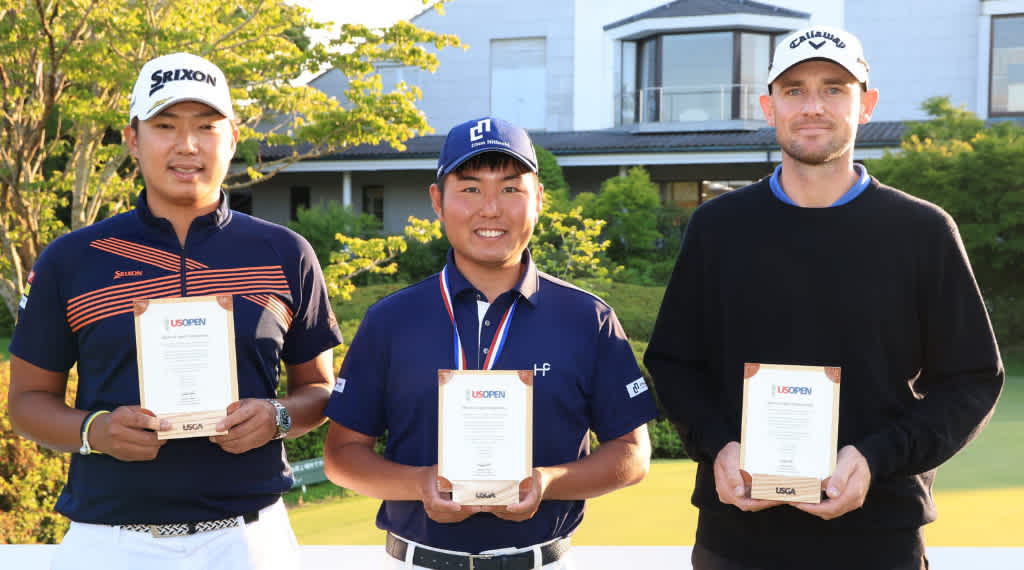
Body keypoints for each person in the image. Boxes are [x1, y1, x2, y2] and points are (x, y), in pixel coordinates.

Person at [644, 26, 1003, 570]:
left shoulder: (922, 231)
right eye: (795, 90)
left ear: (866, 105)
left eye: (834, 88)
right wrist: (719, 446)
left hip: (879, 536)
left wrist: (876, 457)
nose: (813, 106)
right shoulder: (717, 228)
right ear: (769, 107)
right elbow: (673, 363)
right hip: (736, 537)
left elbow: (973, 378)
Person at [7, 52, 342, 569]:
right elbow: (27, 402)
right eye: (165, 125)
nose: (187, 145)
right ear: (133, 139)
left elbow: (318, 392)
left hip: (248, 540)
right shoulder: (72, 259)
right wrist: (96, 431)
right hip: (109, 540)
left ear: (231, 138)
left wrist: (276, 416)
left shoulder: (285, 252)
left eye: (206, 126)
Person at [323, 116, 658, 569]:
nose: (490, 209)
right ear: (437, 202)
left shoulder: (588, 318)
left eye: (510, 188)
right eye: (470, 188)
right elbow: (342, 457)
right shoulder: (390, 320)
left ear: (538, 199)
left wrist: (547, 480)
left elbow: (633, 455)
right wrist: (420, 484)